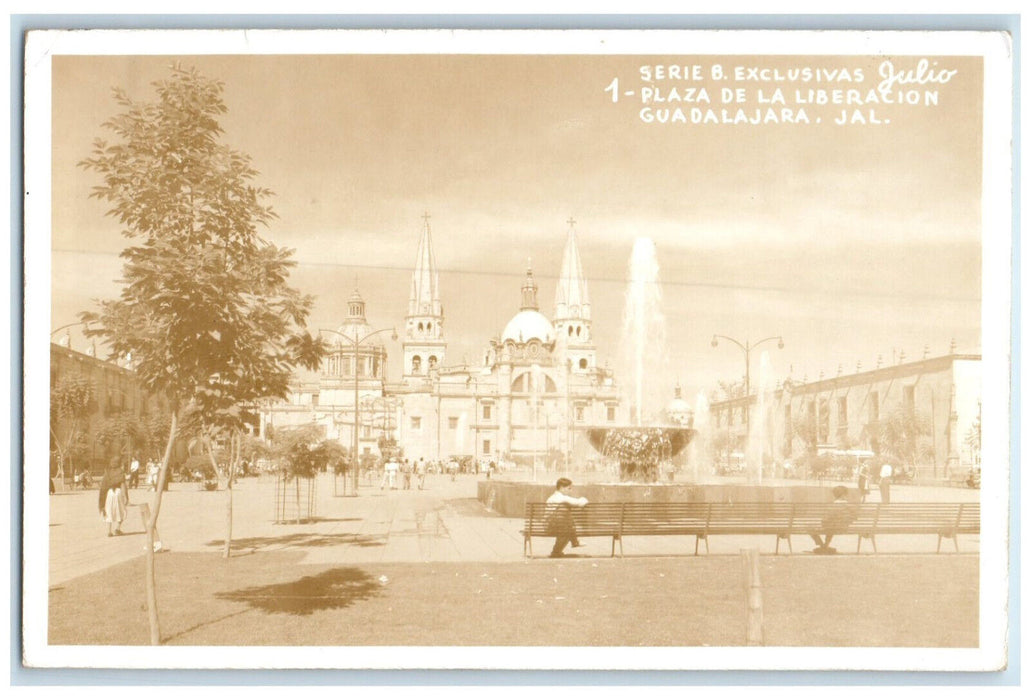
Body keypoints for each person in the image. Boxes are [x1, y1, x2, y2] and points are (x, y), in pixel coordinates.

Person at [545, 478, 589, 558]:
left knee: (565, 523)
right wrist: (585, 499)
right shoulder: (562, 498)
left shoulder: (552, 497)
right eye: (569, 488)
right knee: (566, 528)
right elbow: (580, 502)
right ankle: (572, 543)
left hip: (551, 525)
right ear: (562, 488)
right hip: (556, 527)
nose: (571, 490)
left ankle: (558, 551)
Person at [809, 485, 855, 554]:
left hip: (832, 527)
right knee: (831, 526)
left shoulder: (833, 505)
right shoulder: (850, 506)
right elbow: (854, 517)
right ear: (844, 495)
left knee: (810, 528)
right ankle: (825, 546)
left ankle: (822, 546)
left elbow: (827, 519)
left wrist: (822, 522)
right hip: (844, 527)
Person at [98, 468, 129, 537]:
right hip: (118, 492)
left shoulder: (107, 472)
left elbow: (103, 486)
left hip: (109, 493)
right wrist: (126, 496)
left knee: (109, 510)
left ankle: (109, 531)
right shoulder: (120, 473)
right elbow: (123, 485)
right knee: (122, 511)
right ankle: (117, 529)